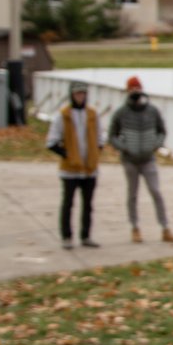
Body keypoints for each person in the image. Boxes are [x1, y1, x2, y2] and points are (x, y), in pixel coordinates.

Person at [109, 75, 173, 245]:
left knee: (156, 192)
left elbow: (162, 131)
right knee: (132, 194)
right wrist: (123, 147)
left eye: (137, 88)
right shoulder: (121, 113)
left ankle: (165, 228)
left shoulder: (152, 111)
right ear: (127, 91)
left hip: (148, 159)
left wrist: (155, 145)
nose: (135, 92)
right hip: (130, 160)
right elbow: (112, 136)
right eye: (132, 89)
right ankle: (135, 227)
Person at [47, 82, 103, 249]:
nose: (80, 97)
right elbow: (51, 141)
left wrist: (95, 153)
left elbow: (100, 137)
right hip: (70, 169)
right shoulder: (63, 115)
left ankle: (86, 235)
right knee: (68, 203)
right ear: (72, 95)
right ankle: (67, 236)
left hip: (89, 169)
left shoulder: (92, 114)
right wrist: (68, 155)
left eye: (83, 94)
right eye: (77, 94)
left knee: (88, 204)